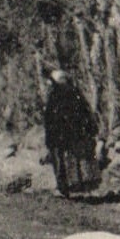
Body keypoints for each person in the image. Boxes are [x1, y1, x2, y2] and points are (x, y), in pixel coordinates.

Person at [43, 69, 100, 197]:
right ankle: (82, 188)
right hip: (75, 135)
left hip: (62, 136)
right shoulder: (76, 94)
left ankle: (66, 188)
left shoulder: (55, 96)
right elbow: (87, 115)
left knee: (64, 162)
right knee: (78, 161)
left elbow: (51, 119)